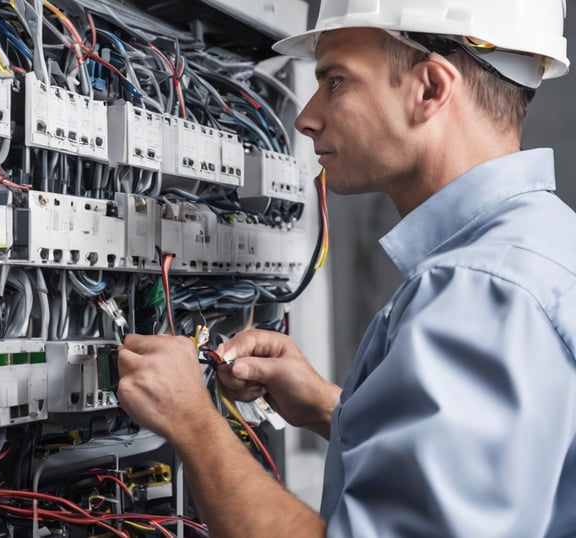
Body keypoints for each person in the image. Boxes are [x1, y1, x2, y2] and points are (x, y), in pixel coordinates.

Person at [118, 0, 576, 535]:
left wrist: (193, 422)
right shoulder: (543, 242)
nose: (305, 117)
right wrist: (330, 409)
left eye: (335, 81)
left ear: (429, 88)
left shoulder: (478, 293)